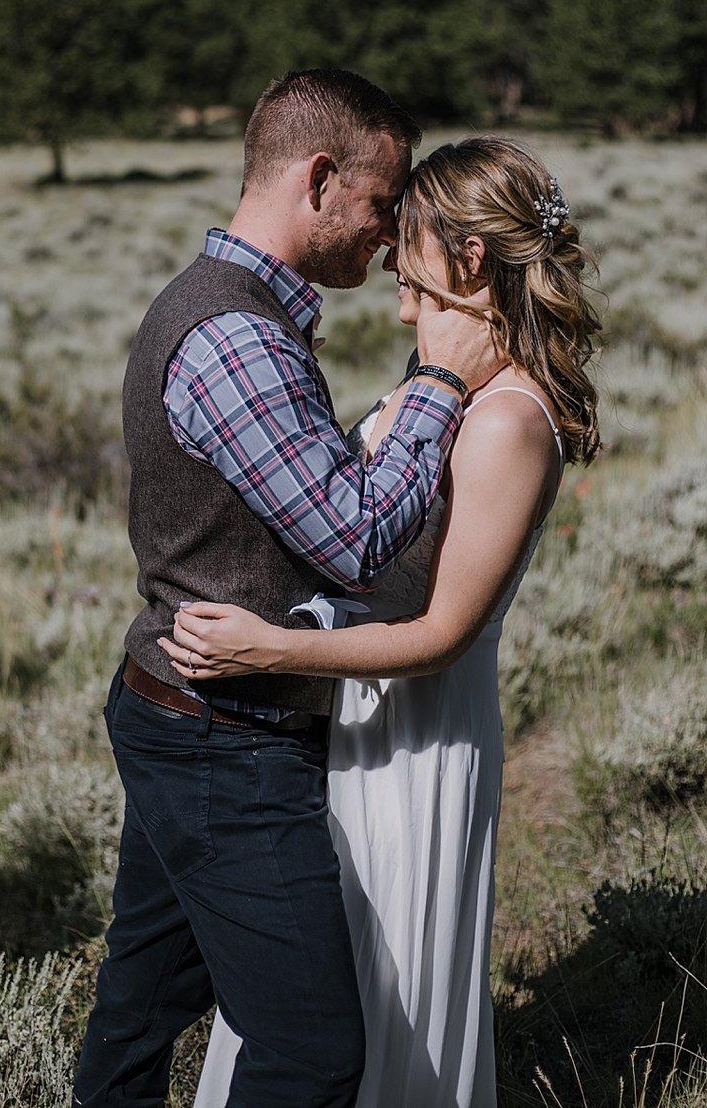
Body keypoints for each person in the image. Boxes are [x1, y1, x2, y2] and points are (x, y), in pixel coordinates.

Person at [72, 72, 505, 1108]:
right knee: (310, 1051)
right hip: (226, 734)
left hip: (190, 715)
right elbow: (352, 538)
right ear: (318, 178)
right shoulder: (234, 336)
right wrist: (442, 384)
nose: (390, 232)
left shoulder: (235, 314)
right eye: (380, 199)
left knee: (141, 1005)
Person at [160, 136, 602, 1108]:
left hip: (415, 742)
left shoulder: (507, 421)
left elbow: (445, 631)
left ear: (470, 258)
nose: (396, 285)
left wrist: (274, 648)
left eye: (410, 260)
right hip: (354, 719)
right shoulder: (450, 382)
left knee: (381, 991)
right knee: (319, 990)